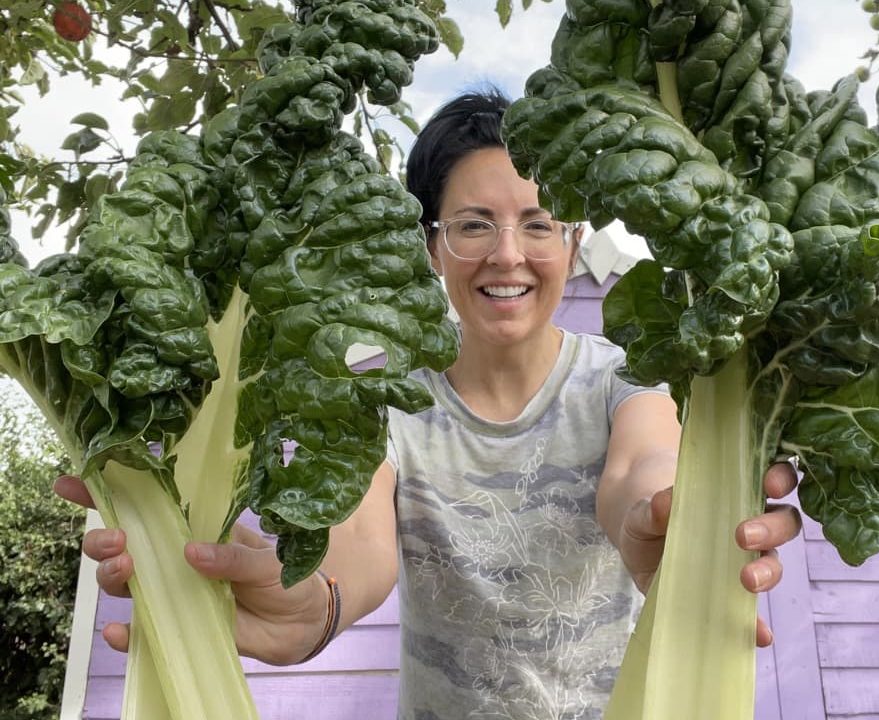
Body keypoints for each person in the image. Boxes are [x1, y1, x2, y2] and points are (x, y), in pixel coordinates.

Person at [55, 89, 802, 719]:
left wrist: (670, 526)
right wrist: (308, 603)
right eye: (474, 224)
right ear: (430, 244)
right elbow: (358, 554)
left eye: (538, 224)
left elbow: (644, 469)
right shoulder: (387, 399)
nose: (508, 254)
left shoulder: (626, 378)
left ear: (572, 245)